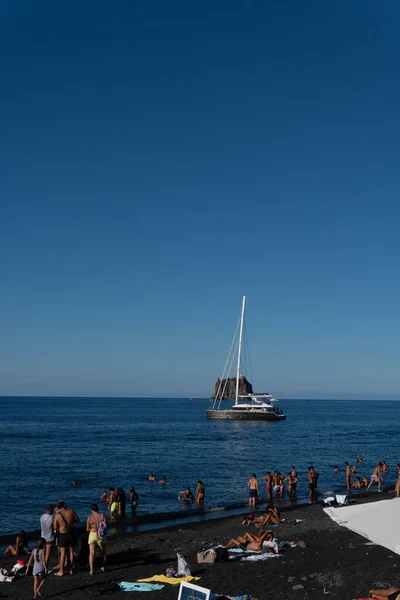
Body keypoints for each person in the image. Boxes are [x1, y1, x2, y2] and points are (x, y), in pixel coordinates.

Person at [53, 500, 79, 576]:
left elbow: (55, 527)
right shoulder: (71, 511)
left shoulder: (57, 515)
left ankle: (61, 571)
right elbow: (77, 520)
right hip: (71, 533)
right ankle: (71, 569)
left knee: (63, 553)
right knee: (71, 551)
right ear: (64, 505)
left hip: (62, 534)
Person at [86, 503, 107, 576]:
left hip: (92, 535)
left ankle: (91, 570)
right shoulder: (102, 516)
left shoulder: (90, 518)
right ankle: (103, 567)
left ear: (92, 509)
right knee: (102, 552)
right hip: (100, 535)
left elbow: (87, 529)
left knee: (92, 553)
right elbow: (105, 526)